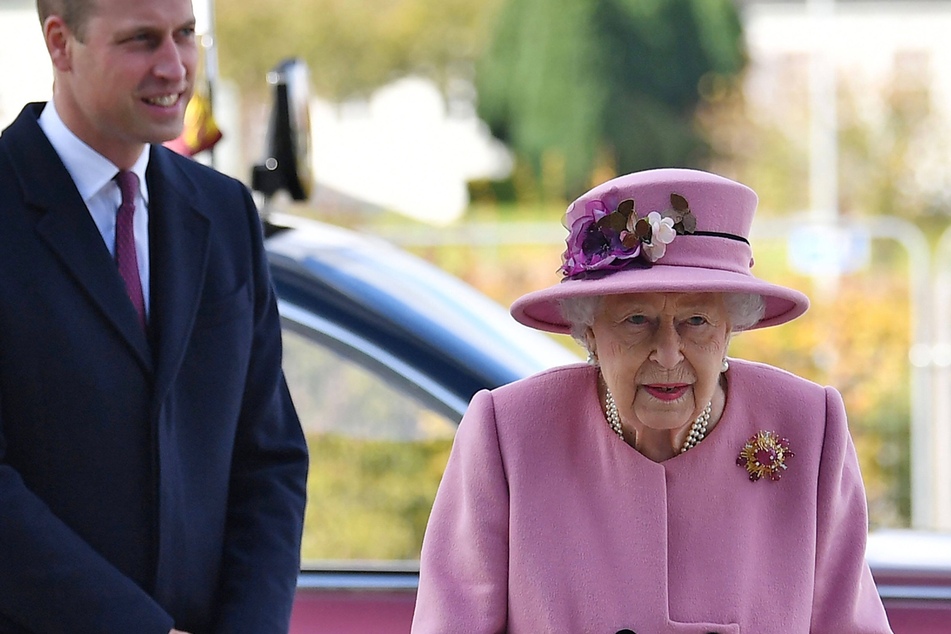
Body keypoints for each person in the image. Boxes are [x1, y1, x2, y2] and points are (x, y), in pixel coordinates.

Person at [411, 168, 892, 633]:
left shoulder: (809, 426)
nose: (667, 352)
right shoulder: (510, 433)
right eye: (636, 319)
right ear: (590, 333)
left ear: (729, 330)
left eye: (696, 321)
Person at [0, 0, 309, 632]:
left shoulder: (224, 213)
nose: (174, 67)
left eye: (185, 35)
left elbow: (269, 457)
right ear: (60, 45)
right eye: (142, 41)